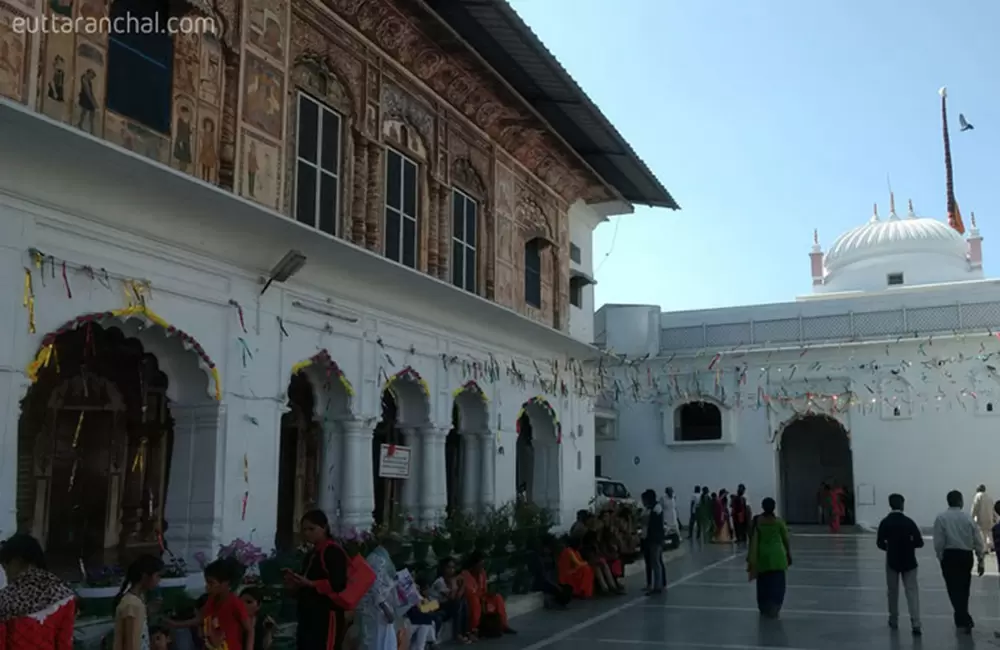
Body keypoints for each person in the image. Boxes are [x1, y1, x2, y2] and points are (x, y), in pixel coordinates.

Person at [284, 510, 348, 650]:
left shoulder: (333, 552)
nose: (307, 533)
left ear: (324, 528)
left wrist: (311, 584)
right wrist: (293, 583)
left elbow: (338, 584)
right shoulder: (311, 554)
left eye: (311, 529)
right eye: (304, 530)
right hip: (308, 617)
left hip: (326, 617)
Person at [0, 534, 77, 649]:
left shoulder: (5, 600)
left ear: (17, 561)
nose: (6, 573)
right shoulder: (64, 595)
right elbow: (65, 645)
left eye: (5, 566)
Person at [933, 490, 985, 633]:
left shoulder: (941, 518)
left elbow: (938, 542)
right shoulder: (968, 518)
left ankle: (962, 616)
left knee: (952, 588)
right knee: (964, 587)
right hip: (965, 556)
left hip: (950, 556)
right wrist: (981, 559)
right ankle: (962, 616)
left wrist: (941, 557)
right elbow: (978, 540)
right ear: (960, 501)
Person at [876, 493, 923, 636]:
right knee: (912, 592)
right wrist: (909, 545)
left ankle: (893, 619)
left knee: (892, 591)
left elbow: (879, 543)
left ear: (890, 505)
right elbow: (919, 542)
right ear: (902, 504)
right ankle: (916, 623)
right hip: (909, 561)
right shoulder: (909, 522)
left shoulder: (885, 522)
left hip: (892, 560)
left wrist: (889, 548)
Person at [746, 497, 790, 619]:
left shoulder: (757, 521)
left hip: (762, 556)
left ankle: (763, 606)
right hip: (777, 556)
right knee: (778, 583)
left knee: (763, 584)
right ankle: (775, 606)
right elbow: (786, 539)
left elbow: (750, 535)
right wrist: (789, 554)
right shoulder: (779, 522)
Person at [201, 558, 254, 650]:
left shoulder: (235, 603)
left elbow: (249, 630)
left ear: (226, 583)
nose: (207, 587)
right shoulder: (210, 602)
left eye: (211, 583)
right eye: (206, 582)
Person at [113, 554, 164, 650]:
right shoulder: (132, 604)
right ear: (145, 576)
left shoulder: (137, 601)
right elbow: (131, 644)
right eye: (157, 576)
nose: (159, 580)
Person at [460, 551, 515, 637]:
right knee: (474, 601)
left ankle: (503, 625)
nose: (482, 567)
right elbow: (469, 592)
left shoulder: (482, 573)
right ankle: (473, 629)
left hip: (481, 596)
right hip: (469, 599)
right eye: (480, 564)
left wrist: (490, 593)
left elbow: (484, 589)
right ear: (474, 564)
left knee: (498, 597)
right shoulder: (465, 574)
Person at [428, 557, 470, 643]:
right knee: (457, 603)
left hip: (443, 606)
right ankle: (458, 634)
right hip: (433, 606)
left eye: (453, 567)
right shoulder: (439, 582)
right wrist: (455, 584)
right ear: (443, 569)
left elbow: (458, 596)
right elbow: (452, 598)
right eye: (449, 567)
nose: (452, 570)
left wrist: (462, 585)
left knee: (463, 602)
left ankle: (465, 632)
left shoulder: (450, 580)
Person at [641, 489, 665, 595]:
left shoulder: (657, 508)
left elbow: (653, 524)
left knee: (656, 562)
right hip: (648, 538)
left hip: (655, 539)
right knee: (651, 562)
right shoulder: (648, 509)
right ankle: (652, 584)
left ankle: (658, 586)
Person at [971, 484, 995, 553]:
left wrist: (972, 517)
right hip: (989, 518)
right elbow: (993, 508)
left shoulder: (977, 496)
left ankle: (985, 549)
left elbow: (975, 507)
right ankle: (992, 546)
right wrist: (994, 517)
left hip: (981, 518)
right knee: (989, 533)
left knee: (982, 534)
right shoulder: (989, 497)